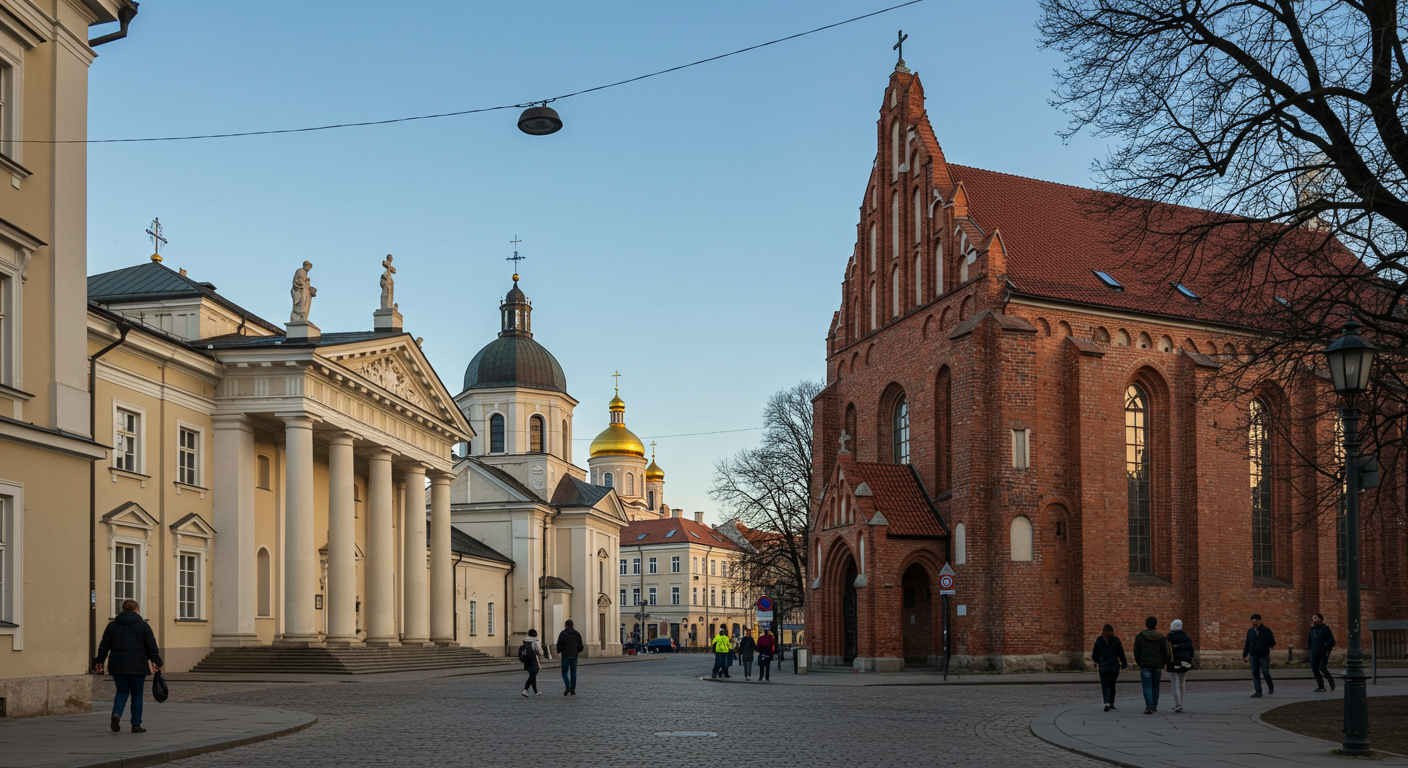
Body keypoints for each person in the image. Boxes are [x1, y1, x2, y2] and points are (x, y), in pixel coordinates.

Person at [92, 600, 163, 733]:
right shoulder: (143, 626)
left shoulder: (112, 626)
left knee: (121, 691)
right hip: (138, 665)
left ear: (123, 610)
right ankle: (136, 724)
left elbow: (104, 646)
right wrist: (158, 663)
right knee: (137, 694)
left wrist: (99, 662)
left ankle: (116, 714)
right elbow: (152, 647)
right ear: (137, 609)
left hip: (117, 665)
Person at [1133, 616, 1170, 714]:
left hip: (1145, 664)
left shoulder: (1140, 636)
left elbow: (1136, 651)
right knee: (1155, 685)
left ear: (1146, 624)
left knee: (1146, 686)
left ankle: (1149, 706)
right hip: (1157, 664)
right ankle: (1154, 705)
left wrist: (1139, 662)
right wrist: (1163, 663)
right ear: (1155, 625)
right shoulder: (1161, 637)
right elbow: (1165, 652)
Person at [1091, 624, 1127, 711]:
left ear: (1103, 631)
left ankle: (1106, 703)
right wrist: (1123, 662)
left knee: (1104, 685)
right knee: (1112, 685)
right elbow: (1121, 653)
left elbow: (1095, 655)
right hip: (1114, 666)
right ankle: (1112, 703)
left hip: (1103, 666)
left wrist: (1098, 661)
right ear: (1112, 631)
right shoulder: (1116, 640)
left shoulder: (1099, 640)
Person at [1243, 613, 1276, 697]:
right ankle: (1258, 691)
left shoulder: (1266, 631)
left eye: (1256, 621)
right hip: (1253, 655)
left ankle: (1270, 686)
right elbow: (1247, 643)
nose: (1255, 623)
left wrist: (1265, 644)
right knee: (1255, 673)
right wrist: (1245, 654)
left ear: (1260, 621)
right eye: (1253, 621)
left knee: (1265, 672)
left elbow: (1272, 643)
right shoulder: (1250, 631)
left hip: (1264, 655)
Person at [1166, 620, 1195, 713]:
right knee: (1182, 683)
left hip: (1174, 662)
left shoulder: (1170, 636)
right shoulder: (1186, 636)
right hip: (1185, 661)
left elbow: (1166, 650)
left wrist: (1166, 661)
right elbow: (1191, 650)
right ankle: (1180, 703)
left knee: (1175, 683)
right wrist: (1189, 659)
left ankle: (1177, 704)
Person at [555, 619, 584, 696]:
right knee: (573, 672)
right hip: (574, 655)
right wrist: (577, 651)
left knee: (564, 672)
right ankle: (573, 690)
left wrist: (559, 650)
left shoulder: (563, 633)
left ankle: (568, 685)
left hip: (565, 655)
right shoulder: (577, 634)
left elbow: (559, 643)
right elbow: (580, 646)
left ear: (566, 625)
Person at [1309, 613, 1336, 692]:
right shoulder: (1312, 629)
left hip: (1323, 652)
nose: (1313, 619)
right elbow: (1310, 641)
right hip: (1314, 652)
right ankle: (1321, 686)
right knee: (1314, 669)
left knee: (1322, 667)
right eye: (1313, 617)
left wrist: (1328, 650)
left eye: (1315, 617)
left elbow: (1331, 641)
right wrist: (1311, 649)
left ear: (1320, 619)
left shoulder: (1325, 628)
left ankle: (1331, 681)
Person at [520, 629, 543, 697]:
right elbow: (539, 650)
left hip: (527, 658)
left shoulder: (525, 641)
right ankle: (525, 689)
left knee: (532, 675)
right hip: (533, 658)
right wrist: (541, 654)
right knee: (534, 673)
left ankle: (535, 692)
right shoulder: (535, 641)